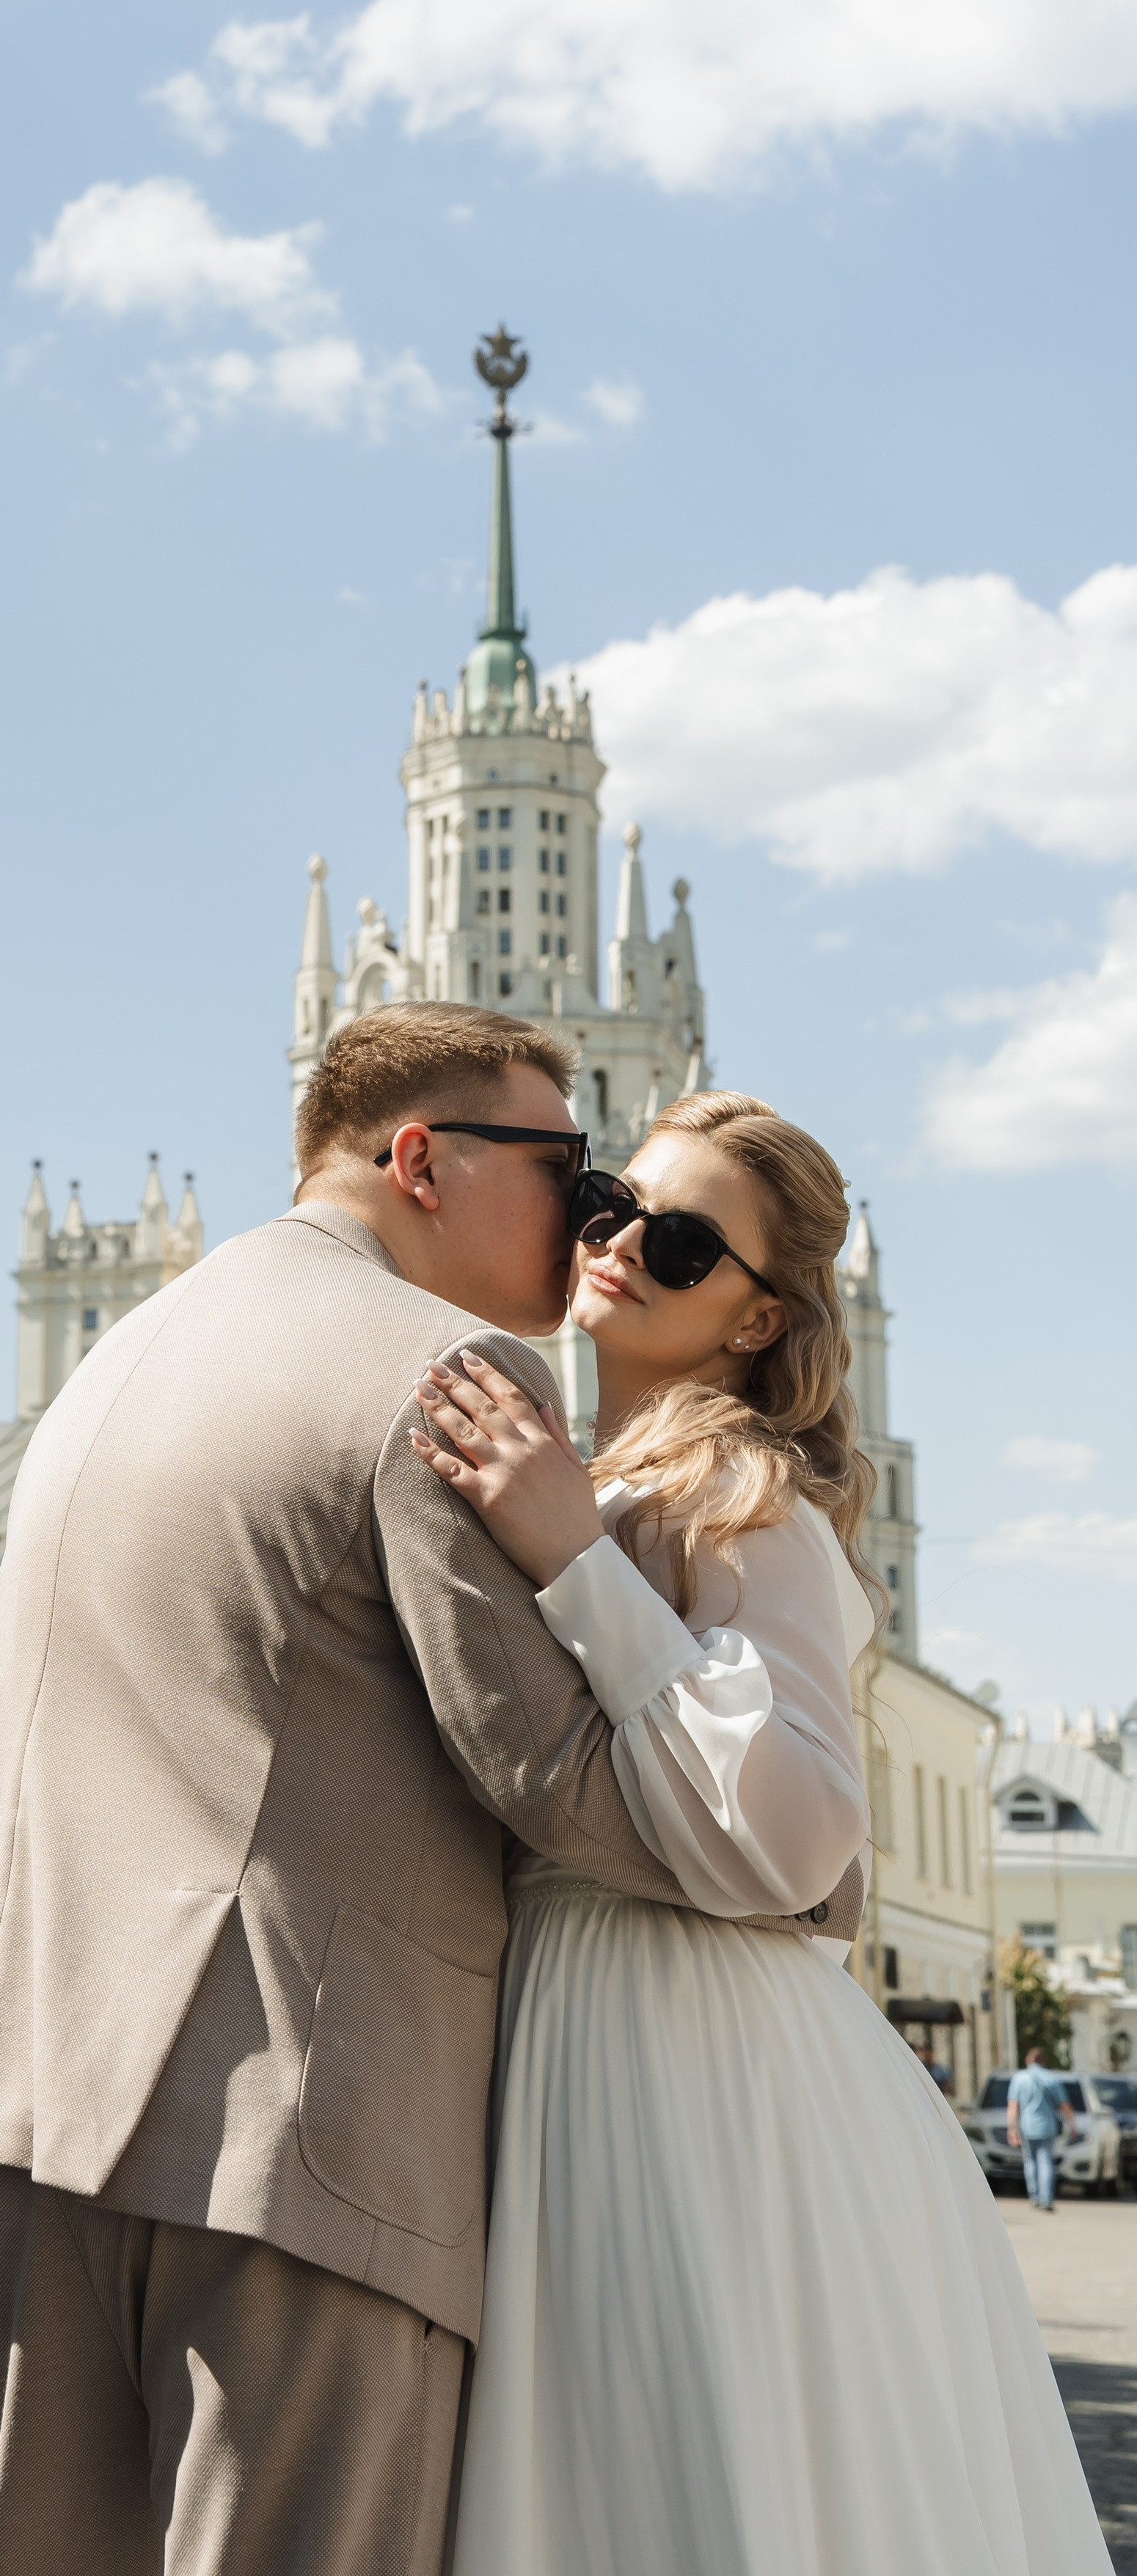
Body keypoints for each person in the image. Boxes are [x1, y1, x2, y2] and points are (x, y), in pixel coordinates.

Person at [0, 1009, 860, 2576]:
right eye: (568, 1171)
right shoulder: (437, 1378)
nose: (588, 1220)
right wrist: (797, 1869)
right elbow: (555, 1776)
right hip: (280, 2136)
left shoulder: (120, 1356)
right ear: (423, 1162)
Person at [406, 1091, 1109, 2575]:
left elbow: (792, 1841)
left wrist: (574, 1558)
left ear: (756, 1319)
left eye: (676, 1244)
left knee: (683, 2480)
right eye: (610, 1204)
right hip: (586, 2023)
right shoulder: (603, 1474)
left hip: (686, 2049)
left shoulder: (740, 1494)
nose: (617, 1245)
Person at [1008, 2045, 1078, 2211]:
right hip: (1047, 2127)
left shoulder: (1019, 2078)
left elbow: (1013, 2106)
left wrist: (1012, 2128)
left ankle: (1034, 2197)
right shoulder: (1051, 2078)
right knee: (1045, 2161)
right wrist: (1073, 2125)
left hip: (1027, 2126)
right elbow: (1064, 2105)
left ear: (1028, 2060)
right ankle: (1046, 2199)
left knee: (1030, 2162)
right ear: (1044, 2061)